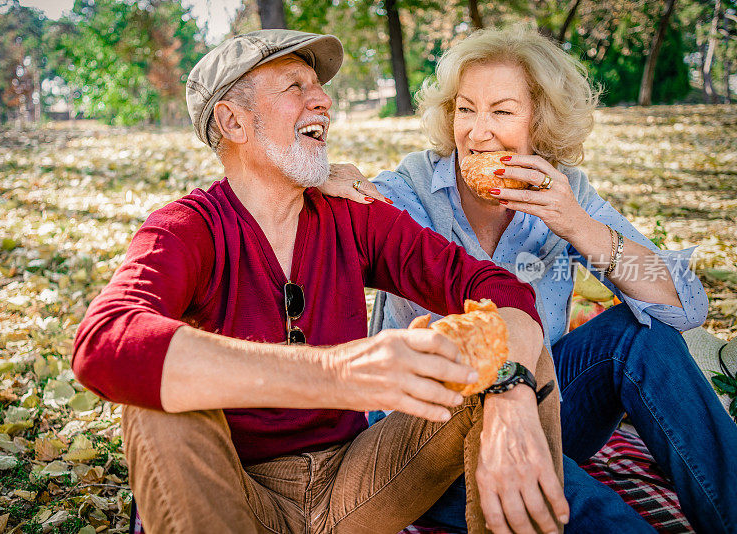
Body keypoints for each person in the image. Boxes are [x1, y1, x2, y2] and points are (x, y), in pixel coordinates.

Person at [72, 30, 570, 534]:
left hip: (359, 484)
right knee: (153, 401)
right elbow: (105, 342)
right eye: (294, 86)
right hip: (237, 495)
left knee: (505, 342)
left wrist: (510, 391)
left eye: (319, 87)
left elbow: (500, 289)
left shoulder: (352, 216)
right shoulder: (188, 228)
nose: (323, 101)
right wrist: (339, 372)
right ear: (233, 120)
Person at [331, 27, 737, 534]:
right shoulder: (409, 192)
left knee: (638, 336)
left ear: (540, 122)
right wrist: (320, 183)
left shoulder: (567, 193)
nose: (477, 133)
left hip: (538, 407)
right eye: (465, 109)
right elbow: (326, 235)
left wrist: (581, 226)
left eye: (501, 112)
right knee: (568, 497)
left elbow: (685, 306)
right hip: (428, 438)